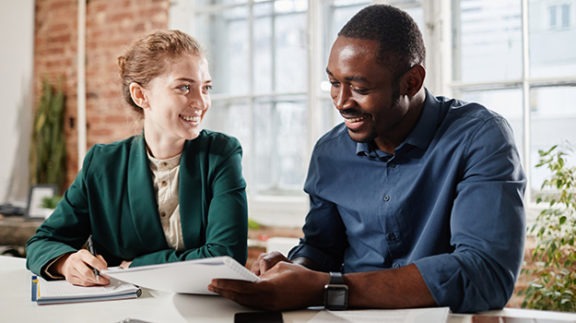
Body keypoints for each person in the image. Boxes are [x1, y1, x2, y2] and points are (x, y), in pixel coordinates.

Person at [209, 4, 526, 313]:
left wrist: (327, 288)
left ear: (411, 81)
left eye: (359, 87)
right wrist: (294, 270)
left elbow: (485, 275)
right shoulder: (329, 152)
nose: (341, 102)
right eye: (334, 83)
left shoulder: (479, 138)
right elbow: (322, 248)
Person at [26, 30, 248, 287]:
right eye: (184, 87)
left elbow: (225, 258)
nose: (201, 102)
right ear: (140, 95)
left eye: (206, 88)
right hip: (119, 308)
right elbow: (42, 242)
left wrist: (136, 267)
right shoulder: (102, 164)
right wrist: (66, 263)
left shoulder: (220, 154)